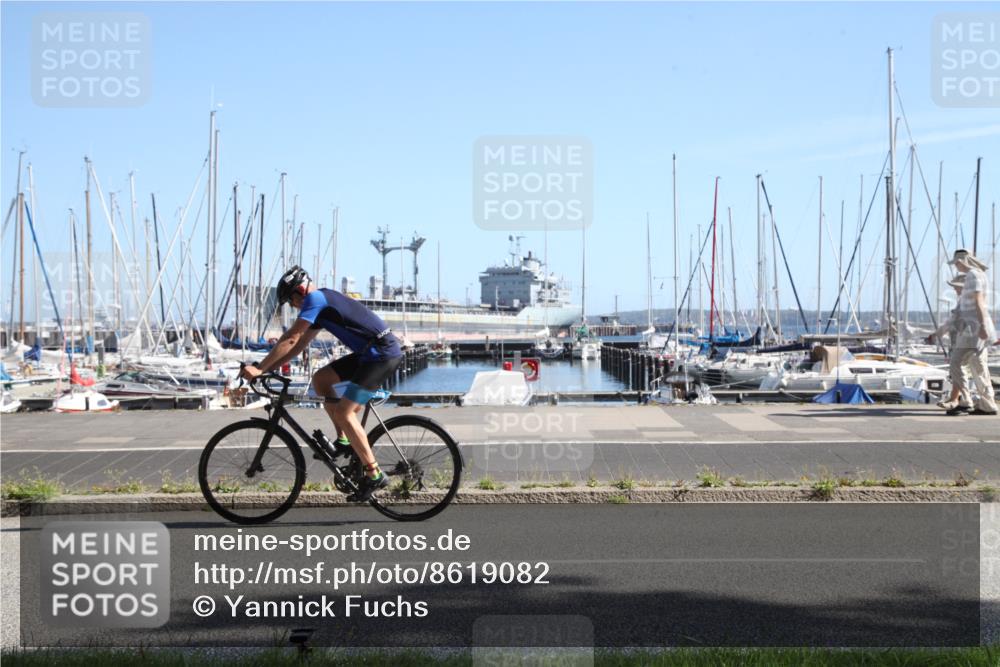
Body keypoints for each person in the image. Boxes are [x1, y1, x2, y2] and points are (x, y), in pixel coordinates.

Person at [240, 266, 404, 500]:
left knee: (345, 414)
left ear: (300, 290)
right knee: (322, 379)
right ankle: (345, 441)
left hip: (381, 355)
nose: (293, 306)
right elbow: (297, 347)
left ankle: (374, 474)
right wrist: (267, 369)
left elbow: (291, 337)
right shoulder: (321, 303)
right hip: (370, 353)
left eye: (291, 300)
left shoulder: (315, 299)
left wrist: (259, 369)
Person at [947, 249, 997, 416]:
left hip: (975, 329)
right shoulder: (979, 274)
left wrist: (982, 326)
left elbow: (979, 301)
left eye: (957, 263)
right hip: (976, 327)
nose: (956, 266)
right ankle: (987, 404)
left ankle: (966, 401)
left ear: (963, 261)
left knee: (956, 362)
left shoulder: (973, 276)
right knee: (978, 367)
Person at [926, 276, 973, 414]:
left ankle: (960, 400)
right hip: (958, 341)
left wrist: (937, 334)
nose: (954, 288)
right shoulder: (963, 301)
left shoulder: (967, 302)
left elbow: (954, 322)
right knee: (956, 371)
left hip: (963, 341)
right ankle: (955, 398)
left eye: (956, 285)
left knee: (958, 370)